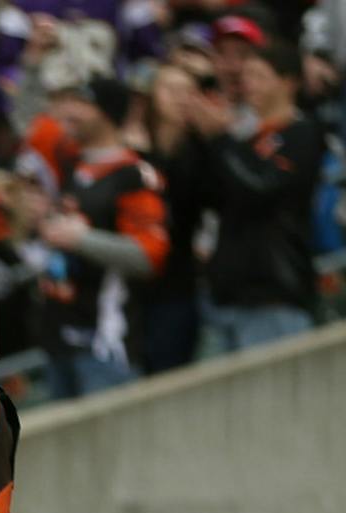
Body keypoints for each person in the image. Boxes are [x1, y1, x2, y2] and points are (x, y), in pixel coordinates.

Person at [32, 75, 167, 397]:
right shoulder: (70, 160)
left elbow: (149, 256)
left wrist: (79, 239)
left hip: (105, 344)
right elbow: (30, 126)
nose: (70, 111)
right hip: (58, 337)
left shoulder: (134, 175)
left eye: (82, 103)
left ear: (107, 112)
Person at [193, 36, 319, 353]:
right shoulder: (240, 140)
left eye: (260, 76)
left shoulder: (302, 133)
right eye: (246, 76)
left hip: (274, 292)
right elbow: (209, 196)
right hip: (226, 293)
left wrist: (222, 139)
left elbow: (262, 188)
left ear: (288, 83)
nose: (249, 84)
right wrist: (201, 140)